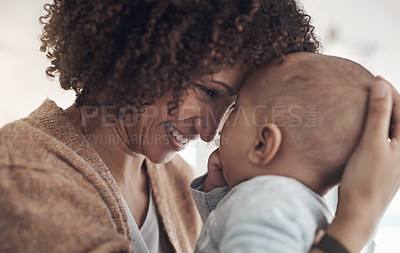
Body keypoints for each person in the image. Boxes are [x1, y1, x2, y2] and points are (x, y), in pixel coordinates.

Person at [0, 0, 399, 253]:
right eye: (209, 91)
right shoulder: (21, 166)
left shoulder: (177, 181)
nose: (209, 134)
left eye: (231, 108)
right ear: (143, 49)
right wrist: (357, 219)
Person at [194, 52, 377, 253]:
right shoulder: (303, 208)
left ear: (263, 144)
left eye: (236, 109)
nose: (220, 126)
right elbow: (225, 234)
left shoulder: (265, 204)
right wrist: (218, 192)